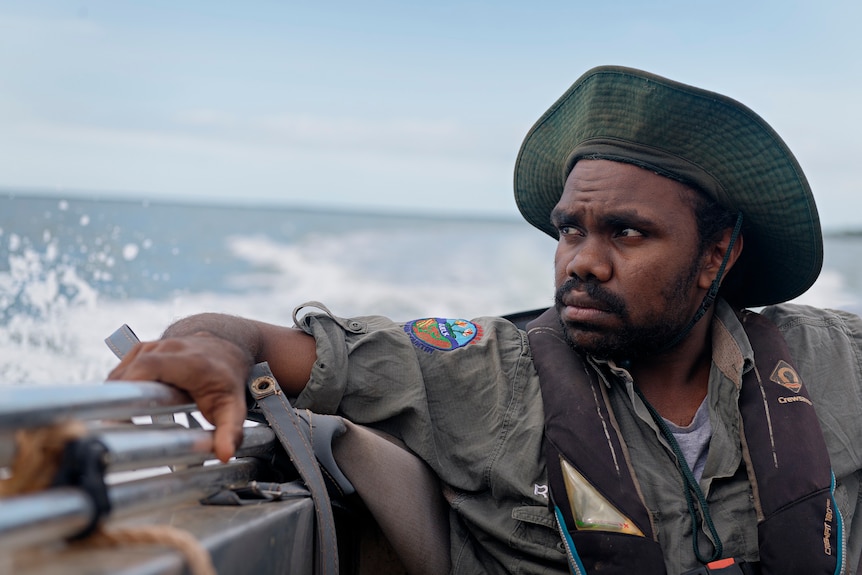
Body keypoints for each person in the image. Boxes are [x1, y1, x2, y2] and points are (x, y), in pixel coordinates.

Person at [108, 66, 862, 574]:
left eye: (626, 233)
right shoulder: (484, 374)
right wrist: (210, 348)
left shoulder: (835, 361)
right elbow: (261, 341)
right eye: (571, 230)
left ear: (718, 252)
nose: (582, 262)